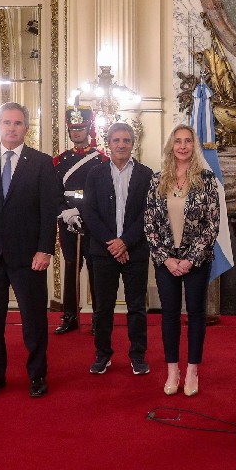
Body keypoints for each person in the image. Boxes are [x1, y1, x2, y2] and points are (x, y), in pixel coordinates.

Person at [0, 102, 62, 399]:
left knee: (34, 320)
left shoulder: (42, 162)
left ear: (26, 128)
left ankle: (37, 375)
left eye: (17, 123)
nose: (12, 128)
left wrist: (45, 250)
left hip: (28, 256)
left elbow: (48, 211)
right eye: (6, 122)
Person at [144, 125, 220, 397]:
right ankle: (173, 370)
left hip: (197, 260)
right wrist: (166, 259)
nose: (183, 146)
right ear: (171, 146)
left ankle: (192, 370)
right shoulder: (157, 180)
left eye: (188, 141)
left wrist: (190, 259)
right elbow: (149, 224)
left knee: (196, 314)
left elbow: (212, 225)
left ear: (194, 146)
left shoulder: (207, 179)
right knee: (170, 315)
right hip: (166, 260)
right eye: (178, 141)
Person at [82, 122, 153, 375]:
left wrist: (125, 242)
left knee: (137, 307)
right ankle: (103, 354)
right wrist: (112, 243)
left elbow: (149, 213)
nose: (121, 145)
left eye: (126, 140)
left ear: (133, 144)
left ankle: (138, 355)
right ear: (108, 144)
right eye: (116, 140)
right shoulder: (95, 174)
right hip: (103, 251)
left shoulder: (146, 174)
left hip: (136, 250)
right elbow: (89, 212)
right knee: (103, 307)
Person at [53, 106, 108, 335]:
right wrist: (65, 212)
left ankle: (98, 318)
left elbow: (103, 195)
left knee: (96, 269)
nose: (76, 132)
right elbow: (54, 192)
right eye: (73, 129)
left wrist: (84, 213)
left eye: (81, 128)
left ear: (89, 128)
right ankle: (70, 315)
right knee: (71, 268)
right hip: (68, 221)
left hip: (92, 222)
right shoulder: (60, 161)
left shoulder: (101, 159)